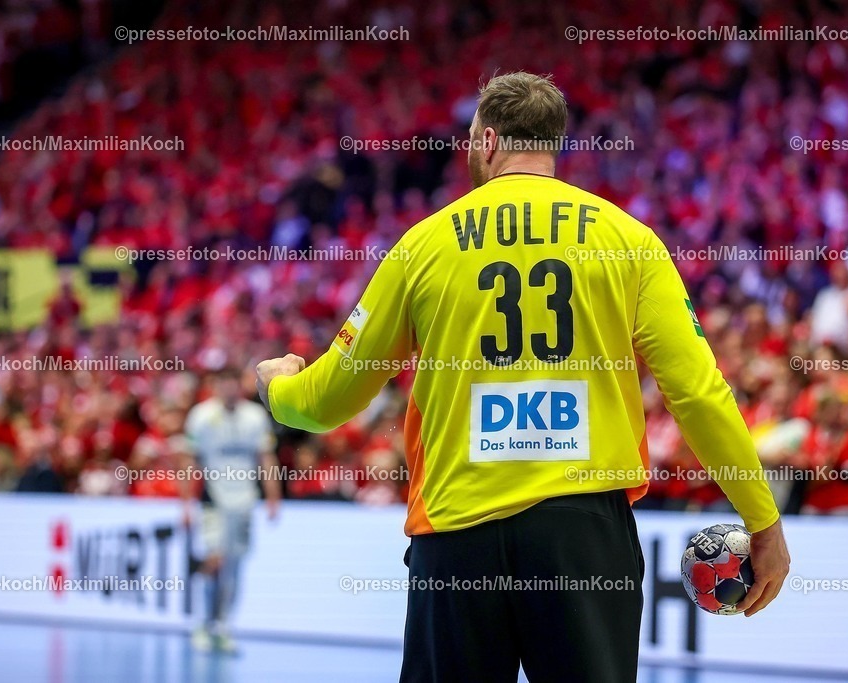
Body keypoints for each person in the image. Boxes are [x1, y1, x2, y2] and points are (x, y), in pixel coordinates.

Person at [256, 72, 791, 682]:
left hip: (458, 532)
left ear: (486, 142)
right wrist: (762, 519)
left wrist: (277, 387)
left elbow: (325, 402)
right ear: (552, 145)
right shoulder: (630, 240)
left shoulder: (421, 247)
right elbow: (698, 391)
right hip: (584, 535)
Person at [183, 366, 281, 654]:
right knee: (215, 561)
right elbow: (190, 461)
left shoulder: (255, 416)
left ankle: (224, 626)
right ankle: (203, 622)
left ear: (239, 386)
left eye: (233, 384)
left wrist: (273, 497)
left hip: (245, 501)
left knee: (236, 566)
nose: (228, 389)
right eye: (222, 384)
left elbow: (266, 458)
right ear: (215, 386)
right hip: (213, 498)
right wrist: (186, 503)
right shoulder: (201, 415)